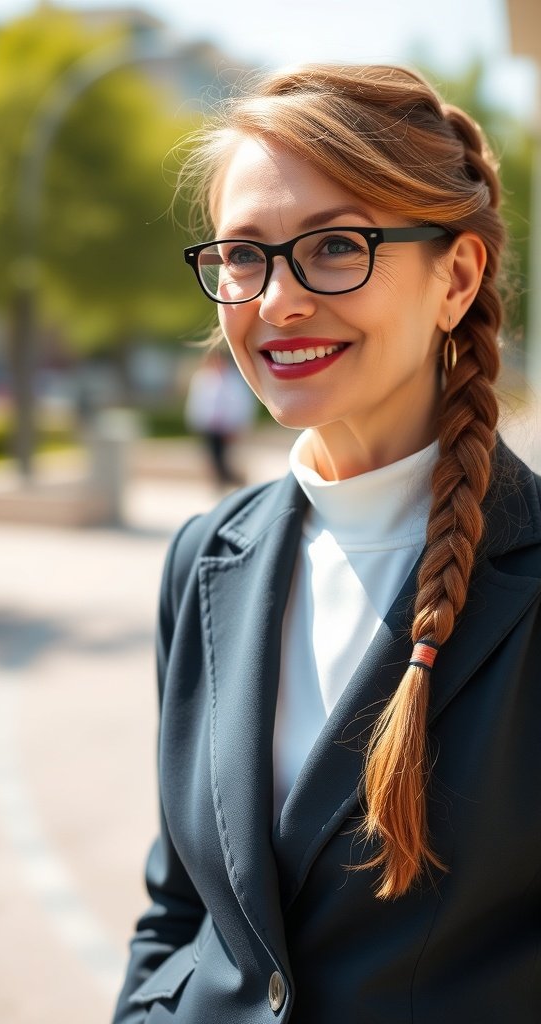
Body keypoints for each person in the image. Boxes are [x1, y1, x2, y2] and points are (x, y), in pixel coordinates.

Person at [112, 65, 541, 1024]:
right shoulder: (204, 557)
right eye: (243, 255)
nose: (276, 302)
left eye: (337, 246)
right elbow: (184, 906)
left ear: (457, 278)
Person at [184, 348, 257, 487]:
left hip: (227, 428)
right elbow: (196, 402)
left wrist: (238, 425)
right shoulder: (202, 378)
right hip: (209, 427)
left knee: (228, 458)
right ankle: (220, 484)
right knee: (213, 458)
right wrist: (195, 422)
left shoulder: (234, 378)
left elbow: (243, 403)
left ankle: (236, 483)